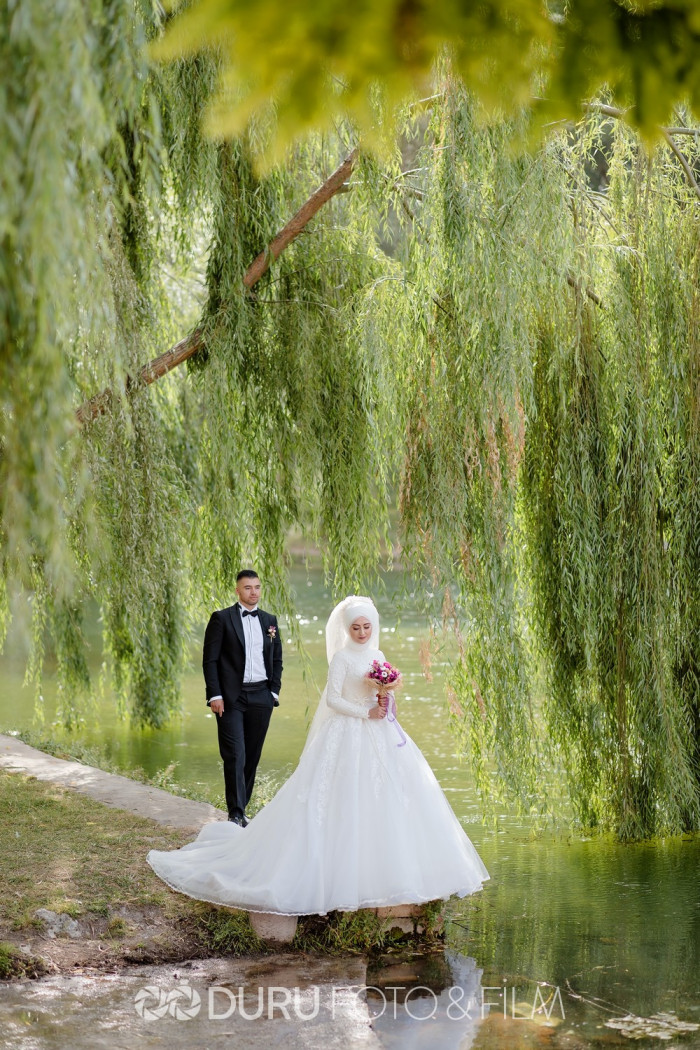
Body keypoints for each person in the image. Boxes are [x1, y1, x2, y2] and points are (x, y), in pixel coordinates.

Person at [147, 595, 489, 915]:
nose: (361, 632)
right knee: (331, 796)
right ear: (347, 628)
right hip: (346, 731)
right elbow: (333, 701)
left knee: (389, 793)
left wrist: (384, 702)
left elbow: (381, 697)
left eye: (366, 627)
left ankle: (388, 873)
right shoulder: (342, 658)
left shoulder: (378, 656)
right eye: (355, 627)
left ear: (373, 627)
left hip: (377, 731)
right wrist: (363, 712)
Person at [202, 569, 283, 827]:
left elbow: (277, 659)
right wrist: (214, 694)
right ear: (238, 590)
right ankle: (235, 813)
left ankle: (242, 808)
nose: (253, 592)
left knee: (252, 755)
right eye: (248, 588)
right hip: (231, 698)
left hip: (262, 696)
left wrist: (273, 692)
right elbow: (210, 660)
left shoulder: (270, 620)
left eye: (257, 587)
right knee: (235, 753)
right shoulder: (221, 619)